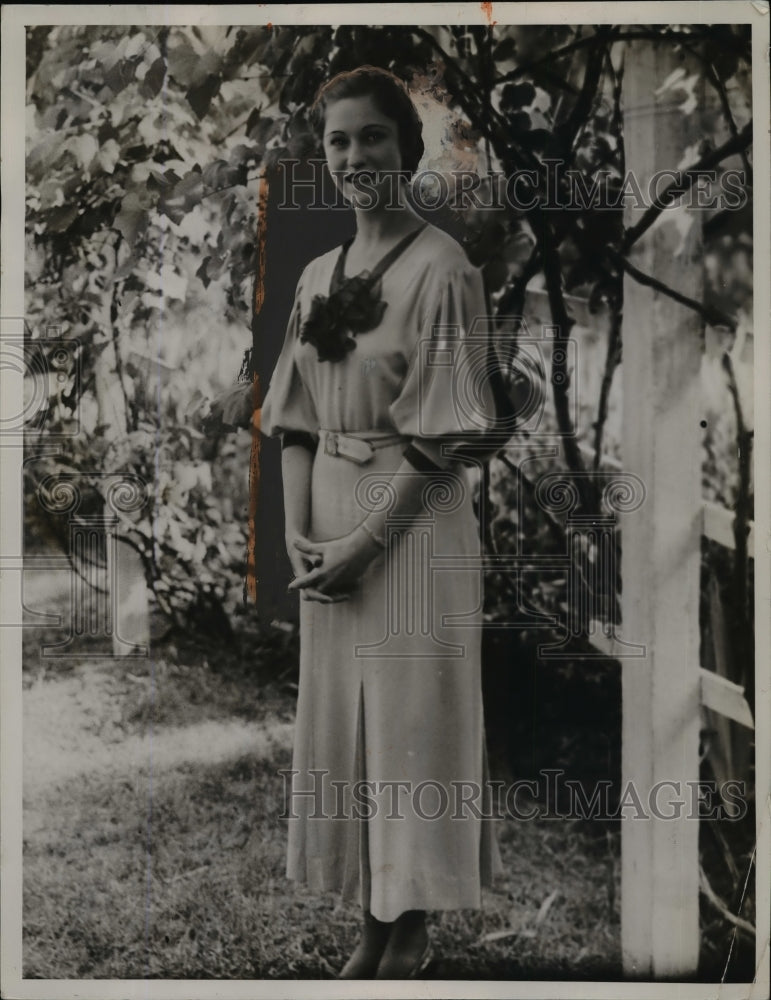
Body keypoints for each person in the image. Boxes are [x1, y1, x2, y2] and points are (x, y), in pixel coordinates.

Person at [259, 65, 503, 980]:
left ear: (406, 145)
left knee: (410, 722)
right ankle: (371, 923)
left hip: (409, 525)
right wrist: (297, 531)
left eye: (372, 137)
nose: (355, 155)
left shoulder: (444, 271)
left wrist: (365, 545)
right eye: (338, 140)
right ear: (321, 156)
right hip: (326, 518)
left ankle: (412, 929)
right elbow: (289, 418)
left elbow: (445, 443)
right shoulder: (320, 274)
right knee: (349, 730)